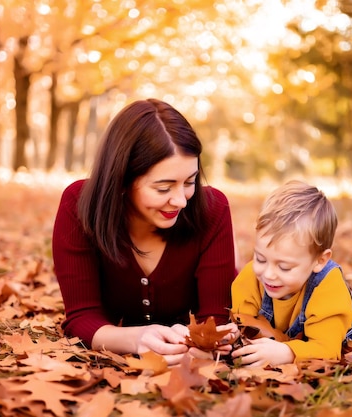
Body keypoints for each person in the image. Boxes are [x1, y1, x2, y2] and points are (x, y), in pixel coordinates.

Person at [52, 98, 236, 365]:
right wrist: (136, 339)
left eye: (190, 181)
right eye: (163, 188)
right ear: (122, 179)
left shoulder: (213, 209)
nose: (181, 201)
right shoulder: (79, 205)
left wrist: (198, 345)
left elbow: (215, 319)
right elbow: (82, 317)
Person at [229, 180, 352, 366]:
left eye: (284, 267)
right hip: (300, 325)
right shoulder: (251, 277)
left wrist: (288, 352)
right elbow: (241, 319)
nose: (269, 274)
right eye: (260, 259)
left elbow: (327, 350)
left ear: (320, 261)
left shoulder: (328, 287)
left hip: (339, 323)